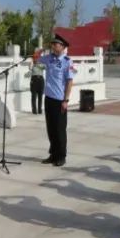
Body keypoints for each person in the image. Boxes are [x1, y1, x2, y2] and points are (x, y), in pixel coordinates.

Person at [39, 35, 75, 166]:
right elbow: (36, 59)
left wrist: (66, 100)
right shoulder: (49, 58)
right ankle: (53, 154)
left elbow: (69, 82)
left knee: (60, 130)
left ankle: (61, 156)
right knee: (51, 129)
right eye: (52, 44)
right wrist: (41, 50)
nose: (53, 46)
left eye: (56, 44)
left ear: (63, 47)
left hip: (60, 100)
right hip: (48, 98)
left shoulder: (67, 62)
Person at [30, 49, 46, 115]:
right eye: (35, 57)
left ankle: (40, 110)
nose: (36, 59)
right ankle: (34, 110)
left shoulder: (41, 63)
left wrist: (39, 63)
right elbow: (30, 68)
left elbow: (45, 67)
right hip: (34, 79)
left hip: (40, 79)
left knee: (40, 96)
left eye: (37, 57)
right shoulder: (32, 63)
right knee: (34, 96)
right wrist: (33, 62)